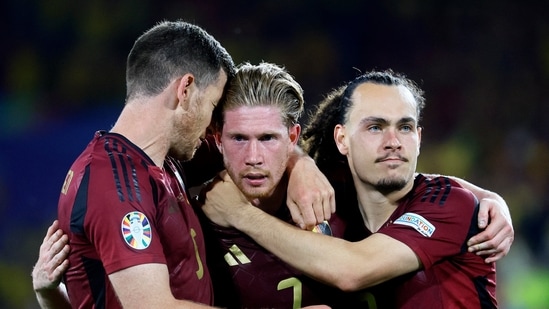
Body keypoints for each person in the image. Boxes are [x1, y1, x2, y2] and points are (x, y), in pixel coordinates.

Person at [32, 20, 336, 309]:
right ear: (185, 90)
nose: (210, 127)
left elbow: (259, 147)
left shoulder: (162, 161)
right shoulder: (115, 186)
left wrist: (300, 165)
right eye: (214, 106)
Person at [202, 70, 502, 307]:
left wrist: (239, 214)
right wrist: (300, 162)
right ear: (342, 140)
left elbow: (352, 270)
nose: (393, 141)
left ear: (419, 138)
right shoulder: (338, 199)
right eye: (375, 127)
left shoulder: (447, 202)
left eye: (405, 127)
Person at [195, 62, 346, 308]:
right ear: (218, 138)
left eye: (267, 138)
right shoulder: (192, 225)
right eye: (239, 138)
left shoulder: (339, 203)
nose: (253, 157)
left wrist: (301, 162)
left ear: (292, 138)